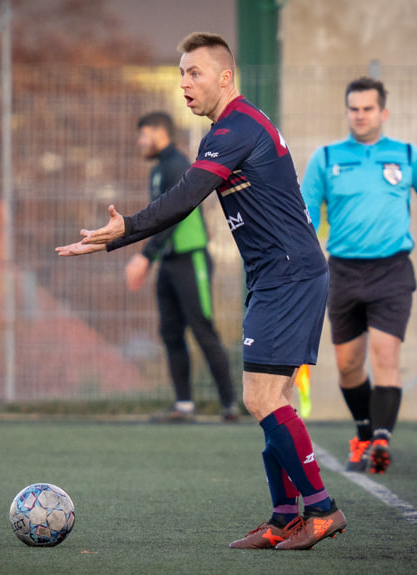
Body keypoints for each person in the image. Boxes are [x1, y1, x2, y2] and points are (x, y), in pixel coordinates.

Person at [57, 32, 345, 551]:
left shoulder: (235, 128)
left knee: (261, 399)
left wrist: (123, 233)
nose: (185, 84)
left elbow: (186, 197)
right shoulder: (234, 127)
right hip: (279, 273)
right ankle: (284, 518)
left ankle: (322, 510)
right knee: (272, 399)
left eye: (195, 73)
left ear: (225, 77)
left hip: (287, 273)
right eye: (181, 74)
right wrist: (123, 238)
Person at [300, 77, 417, 474]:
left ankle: (381, 439)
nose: (360, 115)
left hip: (392, 271)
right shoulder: (327, 157)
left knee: (386, 355)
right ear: (347, 111)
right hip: (344, 272)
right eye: (354, 108)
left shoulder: (406, 155)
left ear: (382, 112)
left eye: (368, 109)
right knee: (349, 365)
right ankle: (365, 433)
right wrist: (301, 258)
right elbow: (306, 214)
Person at [125, 111, 238, 423]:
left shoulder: (176, 165)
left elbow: (172, 218)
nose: (140, 141)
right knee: (170, 331)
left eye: (144, 134)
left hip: (192, 258)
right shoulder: (158, 169)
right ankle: (184, 404)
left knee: (202, 329)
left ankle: (230, 404)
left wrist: (145, 256)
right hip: (169, 262)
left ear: (160, 133)